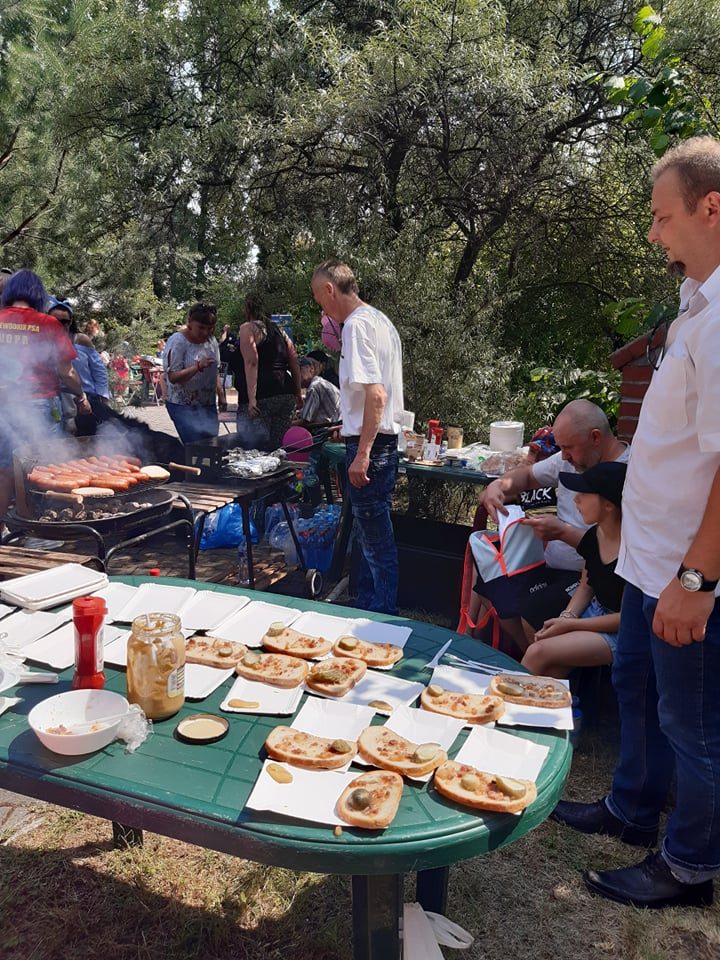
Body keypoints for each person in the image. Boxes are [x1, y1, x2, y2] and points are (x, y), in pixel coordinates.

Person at [553, 136, 720, 910]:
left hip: (690, 572)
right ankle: (629, 810)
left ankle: (688, 866)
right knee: (640, 690)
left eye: (662, 217)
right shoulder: (696, 306)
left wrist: (698, 579)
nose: (653, 234)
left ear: (710, 209)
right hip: (649, 564)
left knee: (692, 724)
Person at [470, 399, 629, 650]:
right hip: (548, 565)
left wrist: (563, 533)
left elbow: (615, 550)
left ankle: (536, 663)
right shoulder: (570, 459)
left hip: (590, 580)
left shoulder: (628, 474)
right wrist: (497, 487)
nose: (564, 456)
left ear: (596, 437)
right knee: (493, 587)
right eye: (561, 448)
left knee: (533, 609)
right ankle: (530, 660)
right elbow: (527, 476)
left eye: (569, 448)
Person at [311, 258, 404, 614]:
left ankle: (383, 619)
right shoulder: (380, 320)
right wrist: (350, 424)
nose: (320, 305)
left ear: (329, 290)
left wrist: (362, 451)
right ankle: (368, 610)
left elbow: (377, 395)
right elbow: (374, 395)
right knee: (370, 538)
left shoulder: (355, 326)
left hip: (373, 448)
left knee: (377, 544)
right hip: (378, 440)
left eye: (318, 297)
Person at [521, 461, 627, 678]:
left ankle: (505, 703)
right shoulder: (594, 535)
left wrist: (571, 626)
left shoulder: (634, 551)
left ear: (608, 504)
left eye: (584, 494)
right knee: (547, 658)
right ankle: (563, 706)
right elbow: (586, 586)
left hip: (620, 630)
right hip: (595, 612)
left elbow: (628, 618)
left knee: (537, 652)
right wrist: (567, 617)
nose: (576, 499)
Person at [0, 270, 88, 517]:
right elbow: (66, 371)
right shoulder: (48, 323)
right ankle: (36, 531)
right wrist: (81, 395)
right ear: (38, 295)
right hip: (39, 403)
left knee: (4, 468)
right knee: (38, 467)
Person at [231, 295, 301, 450]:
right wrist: (297, 393)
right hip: (285, 394)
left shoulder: (248, 328)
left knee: (255, 448)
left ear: (247, 309)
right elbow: (294, 361)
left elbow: (251, 361)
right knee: (279, 448)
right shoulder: (279, 331)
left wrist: (252, 399)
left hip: (262, 395)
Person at [47, 297, 113, 436]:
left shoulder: (81, 340)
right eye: (54, 321)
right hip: (57, 403)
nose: (59, 325)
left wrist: (103, 398)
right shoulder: (43, 342)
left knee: (88, 442)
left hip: (86, 400)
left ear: (71, 322)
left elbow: (99, 371)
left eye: (64, 321)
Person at [163, 301, 225, 443]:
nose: (206, 332)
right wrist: (197, 367)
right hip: (183, 406)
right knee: (195, 448)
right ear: (190, 322)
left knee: (211, 445)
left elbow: (214, 369)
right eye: (201, 327)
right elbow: (172, 377)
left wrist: (221, 394)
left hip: (207, 403)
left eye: (210, 328)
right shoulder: (178, 341)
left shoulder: (211, 341)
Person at [296, 356, 341, 427]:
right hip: (336, 424)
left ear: (311, 369)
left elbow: (305, 420)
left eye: (299, 370)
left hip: (331, 428)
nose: (296, 375)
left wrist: (287, 425)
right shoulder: (319, 382)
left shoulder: (314, 387)